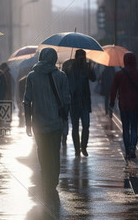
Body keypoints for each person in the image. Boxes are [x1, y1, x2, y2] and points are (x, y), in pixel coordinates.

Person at [23, 47, 70, 197]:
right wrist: (64, 118)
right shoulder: (61, 76)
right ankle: (53, 181)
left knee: (42, 152)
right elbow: (67, 99)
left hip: (38, 122)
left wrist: (28, 123)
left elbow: (26, 101)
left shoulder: (32, 76)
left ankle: (45, 179)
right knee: (54, 152)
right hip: (56, 123)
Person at [109, 52, 138, 160]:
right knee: (134, 127)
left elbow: (113, 90)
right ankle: (132, 148)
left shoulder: (119, 74)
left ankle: (127, 151)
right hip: (135, 104)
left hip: (123, 104)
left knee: (125, 129)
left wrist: (111, 103)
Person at [64, 49, 96, 157]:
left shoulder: (87, 67)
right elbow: (64, 78)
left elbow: (93, 79)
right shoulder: (70, 67)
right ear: (76, 57)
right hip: (74, 102)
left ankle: (84, 147)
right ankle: (77, 149)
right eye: (80, 57)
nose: (82, 59)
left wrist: (91, 69)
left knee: (86, 126)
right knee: (75, 127)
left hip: (85, 102)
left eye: (84, 57)